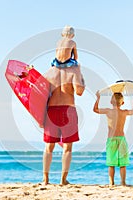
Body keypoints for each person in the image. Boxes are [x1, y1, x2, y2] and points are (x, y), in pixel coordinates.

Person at [42, 26, 85, 185]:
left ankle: (45, 180)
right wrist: (80, 75)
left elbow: (40, 93)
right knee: (67, 148)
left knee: (48, 148)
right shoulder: (74, 70)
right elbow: (78, 91)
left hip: (51, 111)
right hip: (68, 110)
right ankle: (63, 180)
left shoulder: (49, 72)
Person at [93, 91, 133, 186]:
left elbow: (95, 110)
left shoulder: (108, 111)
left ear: (110, 102)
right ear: (123, 103)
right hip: (121, 139)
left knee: (111, 163)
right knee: (123, 164)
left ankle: (111, 182)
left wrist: (98, 98)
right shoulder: (124, 112)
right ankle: (123, 182)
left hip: (111, 139)